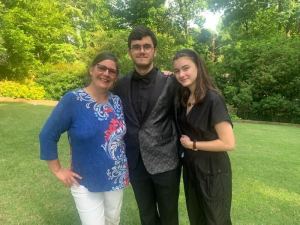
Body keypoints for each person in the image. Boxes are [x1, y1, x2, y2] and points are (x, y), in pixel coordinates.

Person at [39, 52, 129, 225]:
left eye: (112, 71)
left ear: (116, 77)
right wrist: (58, 170)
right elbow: (47, 135)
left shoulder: (116, 101)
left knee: (112, 221)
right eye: (101, 68)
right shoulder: (72, 100)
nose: (106, 73)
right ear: (91, 70)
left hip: (116, 177)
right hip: (85, 180)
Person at [113, 25, 181, 225]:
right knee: (146, 214)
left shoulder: (171, 82)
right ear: (130, 52)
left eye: (146, 46)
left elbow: (181, 117)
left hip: (166, 161)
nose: (141, 50)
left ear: (154, 51)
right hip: (135, 162)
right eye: (136, 47)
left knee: (169, 216)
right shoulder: (120, 85)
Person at [172, 49, 235, 225]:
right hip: (192, 170)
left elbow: (228, 143)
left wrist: (193, 144)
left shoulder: (212, 99)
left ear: (198, 67)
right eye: (177, 71)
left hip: (213, 172)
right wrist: (168, 75)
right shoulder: (185, 96)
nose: (181, 74)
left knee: (215, 220)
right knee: (197, 218)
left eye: (186, 68)